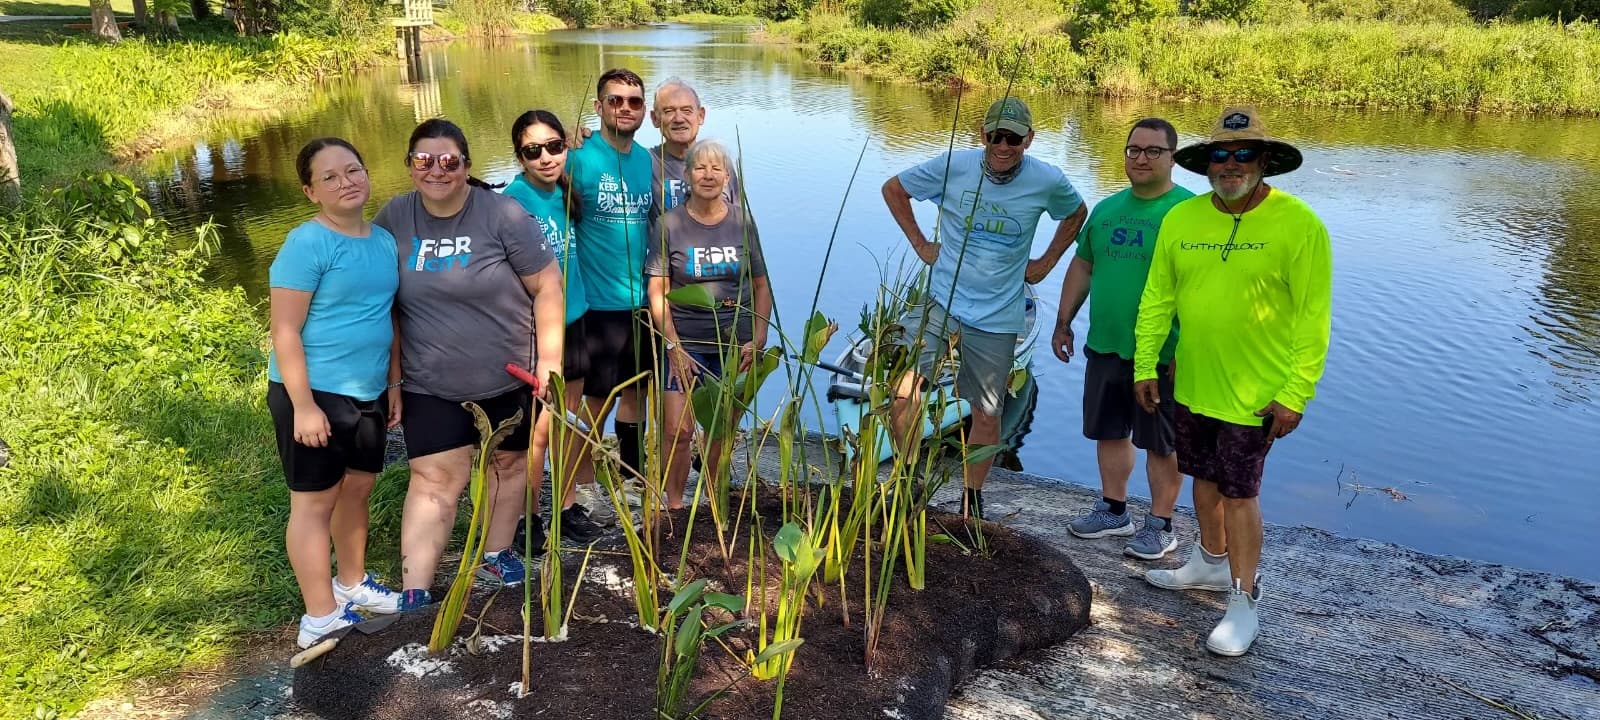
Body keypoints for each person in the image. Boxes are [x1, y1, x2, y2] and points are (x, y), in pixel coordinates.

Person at [1133, 106, 1332, 656]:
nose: (1231, 164)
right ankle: (1210, 562)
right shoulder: (1182, 219)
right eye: (1220, 154)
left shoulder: (1300, 224)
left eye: (1244, 154)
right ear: (1206, 164)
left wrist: (1295, 393)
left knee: (1240, 493)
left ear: (1264, 160)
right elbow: (1158, 298)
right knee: (1202, 476)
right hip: (1194, 383)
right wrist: (1145, 364)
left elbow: (1314, 319)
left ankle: (1245, 601)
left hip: (1257, 396)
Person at [374, 119, 565, 612]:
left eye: (449, 160)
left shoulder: (503, 214)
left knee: (508, 464)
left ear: (466, 165)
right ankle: (416, 588)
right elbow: (381, 301)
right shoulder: (394, 217)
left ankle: (497, 554)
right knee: (434, 481)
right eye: (424, 160)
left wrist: (550, 361)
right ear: (410, 165)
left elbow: (547, 285)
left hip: (510, 375)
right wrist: (392, 380)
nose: (436, 170)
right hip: (429, 382)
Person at [882, 97, 1087, 519]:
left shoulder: (1047, 180)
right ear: (983, 135)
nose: (1003, 146)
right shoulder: (953, 165)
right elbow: (894, 189)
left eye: (1013, 138)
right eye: (996, 136)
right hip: (942, 301)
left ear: (1029, 139)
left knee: (988, 412)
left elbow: (1076, 213)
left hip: (998, 314)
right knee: (903, 391)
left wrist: (1045, 263)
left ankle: (971, 499)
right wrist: (921, 244)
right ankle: (907, 477)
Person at [267, 137, 402, 648]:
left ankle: (352, 583)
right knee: (314, 503)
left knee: (358, 489)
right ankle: (320, 615)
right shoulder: (307, 243)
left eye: (353, 170)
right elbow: (284, 330)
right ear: (310, 192)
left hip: (368, 391)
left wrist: (393, 384)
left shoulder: (382, 241)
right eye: (330, 177)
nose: (346, 182)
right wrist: (303, 406)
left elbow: (388, 317)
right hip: (314, 392)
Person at [1052, 118, 1193, 560]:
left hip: (1163, 352)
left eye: (1153, 150)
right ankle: (1114, 510)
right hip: (1106, 344)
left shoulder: (1189, 214)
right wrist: (1063, 320)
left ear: (1172, 157)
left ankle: (1161, 524)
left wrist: (1188, 347)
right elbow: (1084, 265)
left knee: (1161, 442)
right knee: (1109, 431)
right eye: (1134, 149)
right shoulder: (1107, 209)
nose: (1141, 158)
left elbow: (1205, 287)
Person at [645, 139, 771, 510]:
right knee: (678, 430)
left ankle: (715, 506)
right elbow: (658, 291)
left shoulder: (743, 220)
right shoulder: (669, 224)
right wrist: (673, 346)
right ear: (686, 176)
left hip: (734, 344)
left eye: (717, 168)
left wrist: (759, 336)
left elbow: (761, 285)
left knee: (721, 430)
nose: (708, 175)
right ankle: (674, 507)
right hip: (685, 342)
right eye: (700, 167)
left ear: (728, 178)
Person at [502, 109, 605, 546]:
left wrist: (584, 139)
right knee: (538, 432)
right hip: (536, 332)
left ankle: (565, 508)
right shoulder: (512, 201)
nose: (545, 157)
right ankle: (527, 518)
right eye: (533, 151)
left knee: (568, 423)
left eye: (554, 146)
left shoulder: (565, 189)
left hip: (576, 318)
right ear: (520, 157)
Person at [569, 68, 655, 501]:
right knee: (595, 402)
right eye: (615, 100)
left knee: (637, 393)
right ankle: (583, 487)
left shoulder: (647, 161)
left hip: (641, 302)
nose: (624, 108)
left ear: (643, 110)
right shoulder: (578, 157)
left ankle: (631, 479)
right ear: (599, 106)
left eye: (633, 101)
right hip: (596, 306)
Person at [649, 78, 743, 212]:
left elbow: (740, 217)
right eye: (669, 111)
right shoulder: (646, 162)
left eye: (687, 111)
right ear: (655, 119)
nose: (679, 119)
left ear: (701, 115)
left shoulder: (719, 161)